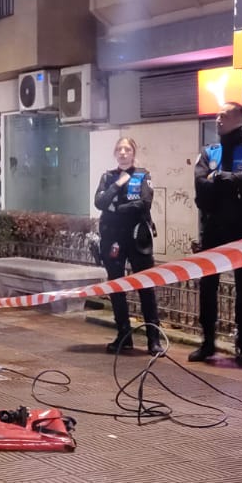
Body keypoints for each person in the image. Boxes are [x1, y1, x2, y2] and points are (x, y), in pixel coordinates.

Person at [191, 102, 242, 365]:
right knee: (208, 285)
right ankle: (208, 342)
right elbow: (201, 186)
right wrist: (229, 180)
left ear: (240, 118)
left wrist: (221, 179)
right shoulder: (209, 151)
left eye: (224, 114)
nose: (218, 118)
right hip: (214, 227)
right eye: (217, 114)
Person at [95, 137, 164, 355]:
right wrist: (117, 185)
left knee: (145, 287)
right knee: (116, 287)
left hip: (138, 237)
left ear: (134, 152)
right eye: (119, 149)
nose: (123, 153)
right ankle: (123, 335)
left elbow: (143, 203)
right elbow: (100, 202)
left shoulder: (143, 175)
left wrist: (117, 208)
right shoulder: (108, 177)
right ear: (115, 153)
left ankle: (154, 339)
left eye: (127, 149)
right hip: (112, 237)